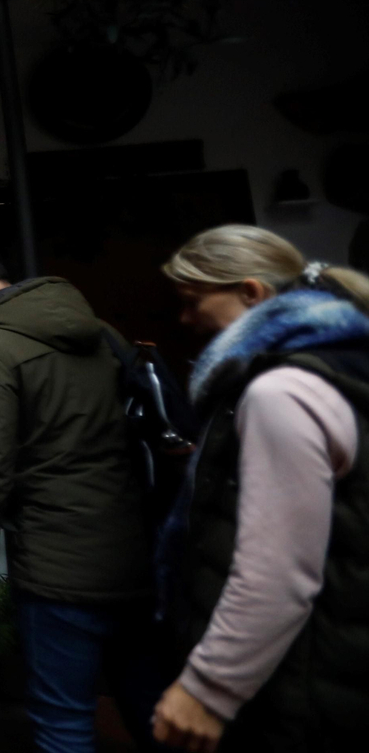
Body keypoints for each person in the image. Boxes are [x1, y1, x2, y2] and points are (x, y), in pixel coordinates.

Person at [0, 243, 161, 753]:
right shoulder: (100, 331)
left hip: (57, 561)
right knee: (150, 705)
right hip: (130, 549)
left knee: (63, 722)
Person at [151, 225, 369, 753]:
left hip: (300, 687)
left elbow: (277, 570)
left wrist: (208, 688)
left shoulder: (281, 391)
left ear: (251, 292)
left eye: (191, 301)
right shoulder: (346, 362)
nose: (185, 319)